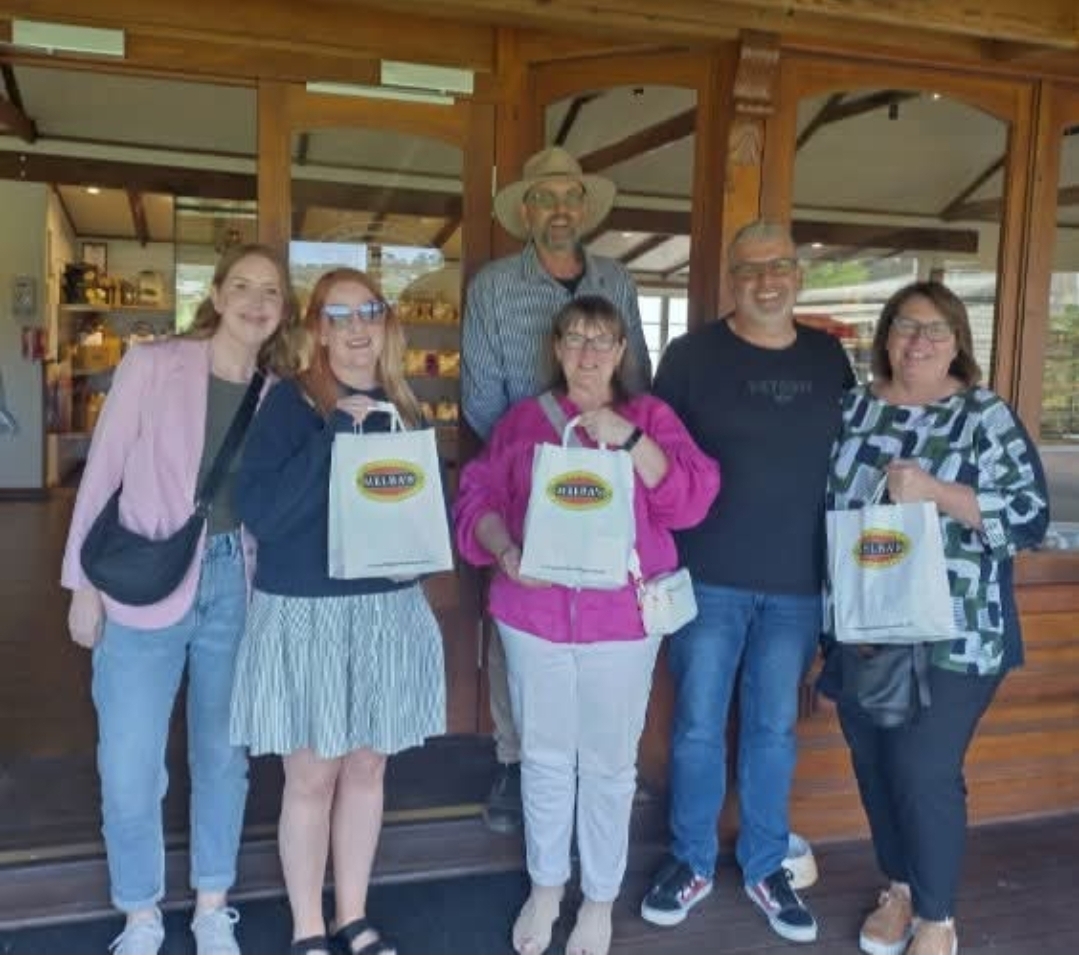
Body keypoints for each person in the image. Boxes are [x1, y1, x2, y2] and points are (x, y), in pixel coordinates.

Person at [455, 295, 719, 955]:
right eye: (574, 338)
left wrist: (628, 440)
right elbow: (476, 497)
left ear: (622, 351)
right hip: (533, 615)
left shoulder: (650, 417)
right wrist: (505, 551)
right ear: (556, 348)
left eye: (601, 340)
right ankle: (547, 887)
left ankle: (597, 899)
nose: (587, 353)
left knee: (607, 765)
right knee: (543, 758)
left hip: (620, 622)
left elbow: (691, 497)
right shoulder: (522, 422)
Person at [60, 243, 302, 955]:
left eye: (271, 293)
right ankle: (140, 912)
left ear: (281, 311)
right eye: (244, 286)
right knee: (129, 761)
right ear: (218, 295)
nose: (257, 301)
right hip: (143, 579)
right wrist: (82, 586)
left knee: (223, 755)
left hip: (237, 582)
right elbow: (101, 469)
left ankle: (210, 903)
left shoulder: (276, 392)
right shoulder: (155, 363)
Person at [639, 220, 855, 942]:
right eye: (751, 269)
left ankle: (765, 864)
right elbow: (659, 460)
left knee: (772, 730)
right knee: (697, 725)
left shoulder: (830, 359)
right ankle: (691, 860)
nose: (767, 280)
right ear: (731, 280)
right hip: (708, 579)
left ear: (797, 275)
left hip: (797, 583)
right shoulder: (691, 356)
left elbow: (851, 467)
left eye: (780, 266)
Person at [820, 281, 1048, 955]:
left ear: (957, 345)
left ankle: (937, 916)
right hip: (863, 621)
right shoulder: (852, 408)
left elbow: (1026, 517)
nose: (918, 341)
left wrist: (935, 493)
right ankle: (899, 886)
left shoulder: (982, 415)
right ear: (885, 336)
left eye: (935, 331)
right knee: (873, 762)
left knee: (921, 766)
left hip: (957, 628)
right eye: (906, 327)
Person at [230, 268, 446, 955]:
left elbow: (414, 515)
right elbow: (262, 512)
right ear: (319, 328)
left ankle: (352, 915)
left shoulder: (406, 408)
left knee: (366, 768)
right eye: (340, 315)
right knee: (311, 773)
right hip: (306, 614)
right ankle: (308, 928)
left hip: (384, 612)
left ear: (385, 324)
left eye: (369, 312)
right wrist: (332, 442)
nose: (356, 329)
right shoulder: (292, 405)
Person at [462, 144, 653, 834]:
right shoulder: (492, 287)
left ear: (584, 208)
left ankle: (600, 765)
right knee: (524, 615)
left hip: (607, 466)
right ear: (524, 212)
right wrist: (529, 452)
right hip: (524, 469)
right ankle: (518, 762)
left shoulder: (615, 278)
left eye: (569, 197)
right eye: (543, 198)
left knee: (605, 611)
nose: (558, 210)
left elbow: (637, 374)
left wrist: (614, 443)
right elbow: (481, 392)